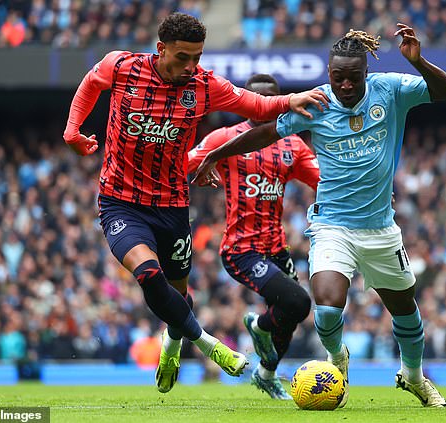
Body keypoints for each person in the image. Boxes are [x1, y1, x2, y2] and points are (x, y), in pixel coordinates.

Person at [193, 24, 446, 408]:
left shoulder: (392, 88)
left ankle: (413, 377)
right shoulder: (316, 102)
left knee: (406, 310)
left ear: (366, 74)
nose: (345, 86)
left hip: (381, 227)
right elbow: (265, 132)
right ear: (329, 75)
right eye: (337, 78)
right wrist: (216, 155)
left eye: (352, 78)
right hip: (332, 225)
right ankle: (337, 361)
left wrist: (419, 63)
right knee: (328, 308)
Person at [62, 12, 328, 393]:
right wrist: (73, 129)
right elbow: (91, 83)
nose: (191, 66)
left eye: (197, 57)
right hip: (120, 201)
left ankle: (173, 343)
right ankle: (209, 345)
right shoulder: (122, 66)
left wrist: (291, 99)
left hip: (172, 205)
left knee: (178, 292)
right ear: (160, 48)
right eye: (183, 57)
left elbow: (255, 105)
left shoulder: (204, 86)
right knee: (149, 276)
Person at [188, 73, 320, 400]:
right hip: (241, 250)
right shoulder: (226, 138)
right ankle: (259, 327)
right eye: (255, 101)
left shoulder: (291, 145)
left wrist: (363, 194)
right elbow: (186, 163)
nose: (261, 109)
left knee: (294, 312)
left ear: (278, 103)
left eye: (268, 101)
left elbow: (323, 181)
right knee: (297, 300)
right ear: (245, 102)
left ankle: (266, 374)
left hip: (275, 248)